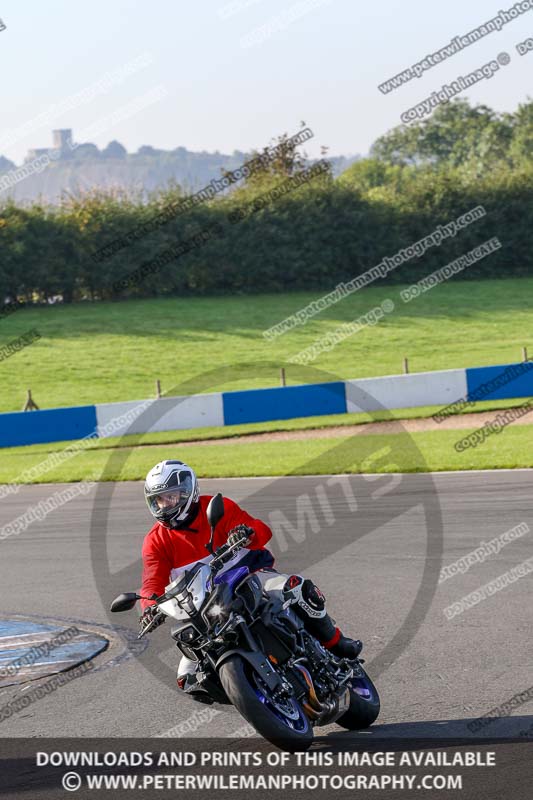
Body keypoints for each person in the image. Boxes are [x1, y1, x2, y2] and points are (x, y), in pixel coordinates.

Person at [139, 460, 362, 701]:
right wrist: (149, 607)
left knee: (294, 588)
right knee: (188, 678)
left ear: (187, 492)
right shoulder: (155, 541)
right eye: (159, 500)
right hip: (206, 605)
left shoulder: (216, 507)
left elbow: (261, 530)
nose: (165, 505)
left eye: (170, 497)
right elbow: (152, 582)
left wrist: (246, 533)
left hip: (250, 577)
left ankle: (336, 642)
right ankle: (253, 693)